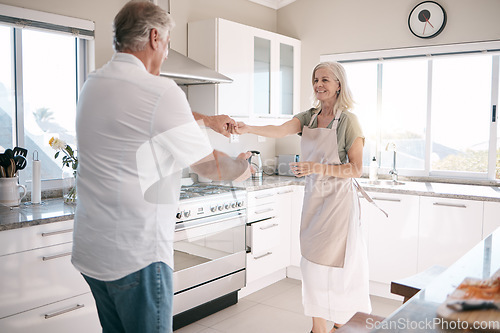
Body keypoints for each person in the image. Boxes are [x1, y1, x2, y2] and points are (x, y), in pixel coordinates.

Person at [71, 1, 251, 333]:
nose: (167, 53)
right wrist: (241, 168)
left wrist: (205, 119)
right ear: (155, 37)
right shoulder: (160, 91)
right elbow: (208, 167)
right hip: (136, 256)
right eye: (167, 42)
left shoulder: (92, 84)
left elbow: (141, 119)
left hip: (92, 251)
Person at [231, 61, 371, 333]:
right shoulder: (309, 117)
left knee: (339, 268)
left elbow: (356, 169)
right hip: (314, 199)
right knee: (310, 265)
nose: (319, 85)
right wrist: (247, 128)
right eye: (316, 80)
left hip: (339, 203)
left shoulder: (349, 121)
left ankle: (341, 321)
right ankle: (318, 327)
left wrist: (315, 167)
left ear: (339, 84)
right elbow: (280, 129)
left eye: (325, 80)